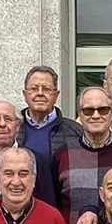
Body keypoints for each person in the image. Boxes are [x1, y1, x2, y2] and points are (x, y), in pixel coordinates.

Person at [55, 86, 112, 223]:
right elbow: (54, 207)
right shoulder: (63, 155)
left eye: (103, 110)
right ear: (79, 116)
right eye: (88, 110)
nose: (95, 115)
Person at [16, 67, 82, 207]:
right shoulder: (12, 129)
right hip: (18, 208)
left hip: (61, 208)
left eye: (46, 89)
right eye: (34, 88)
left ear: (56, 95)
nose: (40, 94)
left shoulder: (75, 132)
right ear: (25, 94)